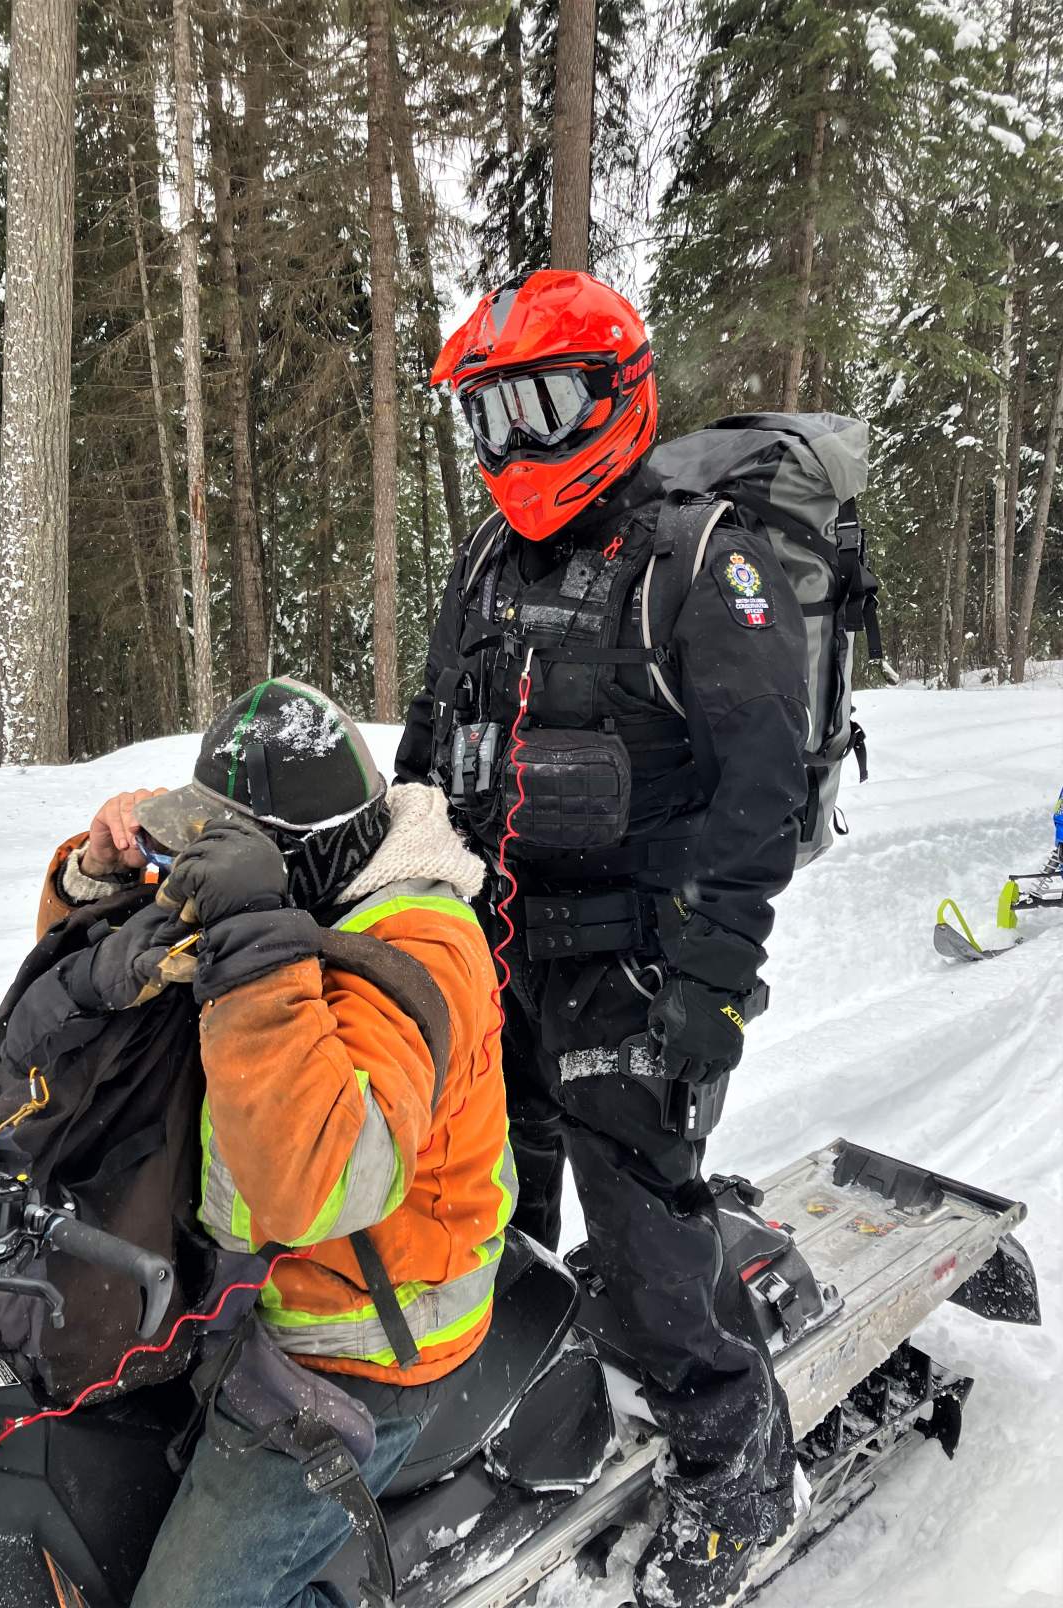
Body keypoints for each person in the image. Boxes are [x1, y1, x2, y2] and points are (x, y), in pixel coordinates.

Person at [396, 271, 809, 1607]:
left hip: (639, 961)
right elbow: (425, 746)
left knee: (639, 1238)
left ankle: (735, 1461)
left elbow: (764, 791)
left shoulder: (703, 558)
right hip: (491, 951)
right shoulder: (489, 560)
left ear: (615, 393)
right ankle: (526, 1411)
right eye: (490, 414)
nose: (514, 445)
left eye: (543, 405)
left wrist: (714, 976)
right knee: (476, 1215)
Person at [25, 677, 515, 1608]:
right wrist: (98, 880)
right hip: (228, 1301)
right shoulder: (281, 895)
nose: (199, 871)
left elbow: (317, 1184)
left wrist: (249, 943)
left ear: (296, 861)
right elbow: (98, 1012)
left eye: (224, 849)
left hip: (358, 1344)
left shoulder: (420, 944)